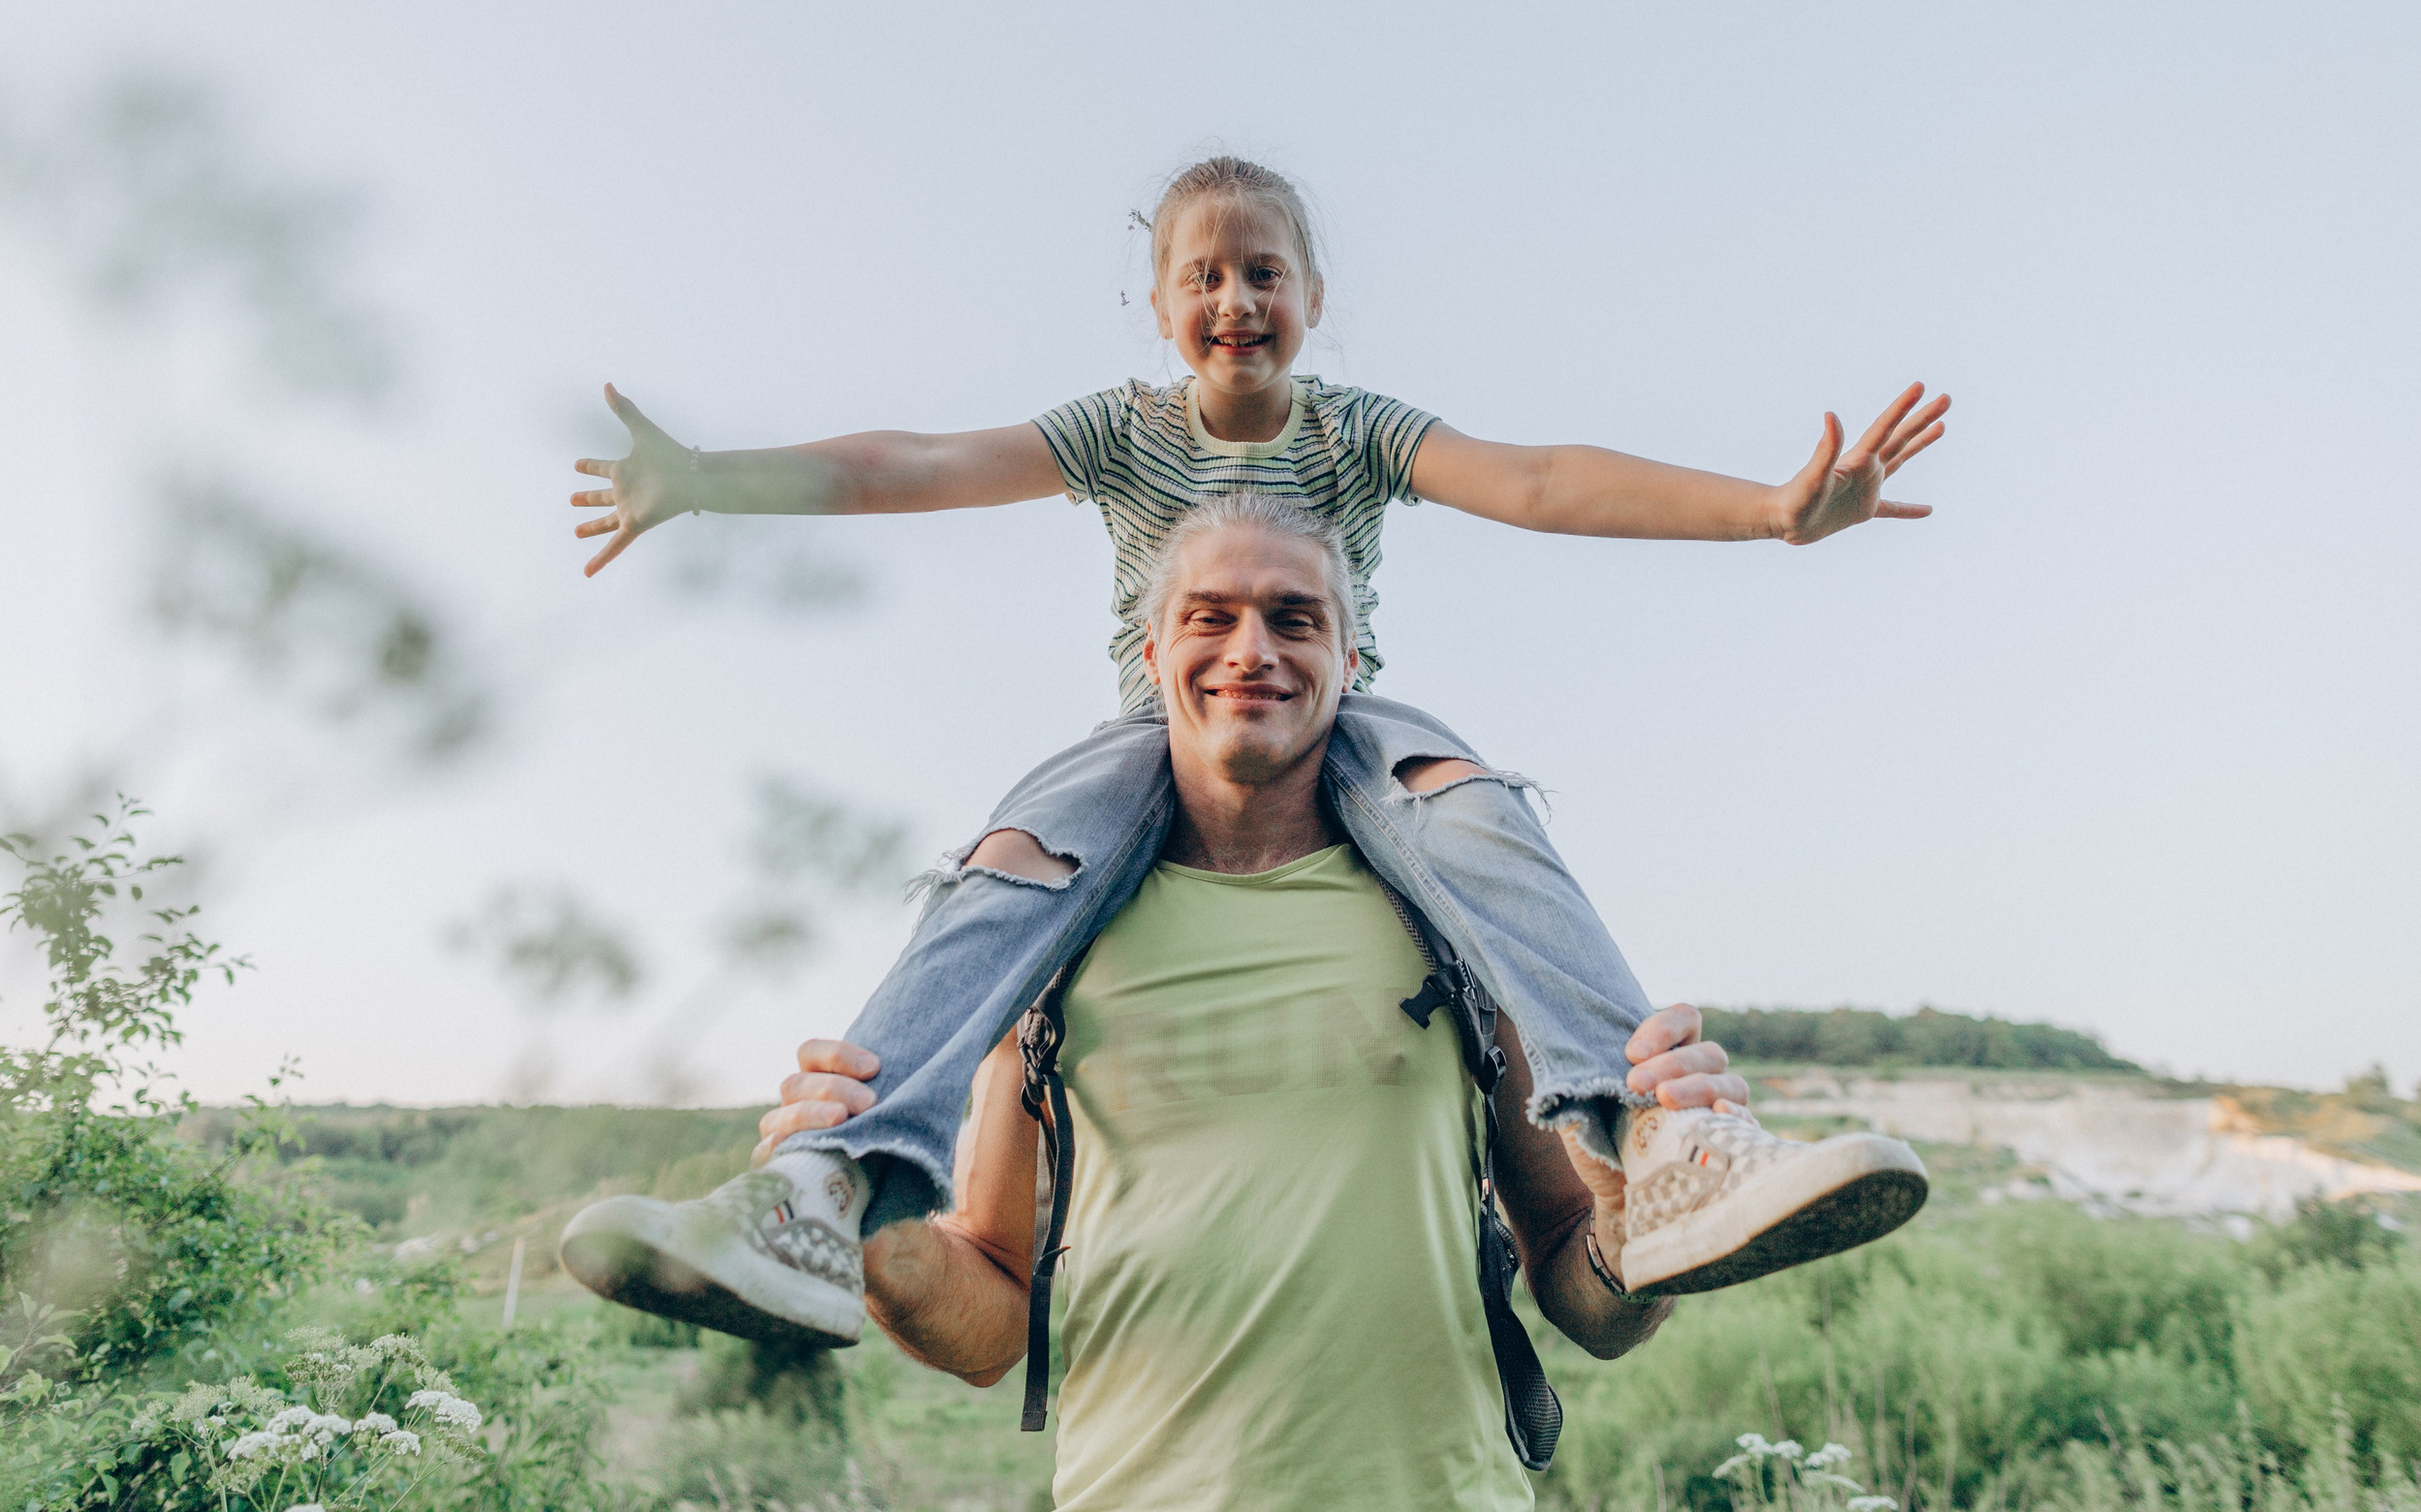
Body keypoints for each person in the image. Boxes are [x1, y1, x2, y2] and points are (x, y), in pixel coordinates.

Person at [557, 158, 1948, 1344]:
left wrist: (1769, 510)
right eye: (1206, 275)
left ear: (1312, 299)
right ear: (1164, 306)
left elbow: (1535, 480)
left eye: (1264, 272)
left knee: (1473, 808)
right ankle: (829, 1181)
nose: (1236, 298)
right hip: (1152, 743)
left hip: (1340, 726)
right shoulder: (1120, 433)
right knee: (1009, 863)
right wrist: (714, 479)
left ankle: (1662, 1136)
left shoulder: (1360, 432)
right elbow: (919, 464)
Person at [571, 501, 1927, 1508]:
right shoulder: (1049, 947)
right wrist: (885, 1242)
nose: (1252, 650)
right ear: (1152, 651)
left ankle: (1673, 1155)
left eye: (1295, 618)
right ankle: (827, 1195)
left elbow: (1587, 1293)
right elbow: (987, 1324)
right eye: (1212, 617)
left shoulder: (1454, 922)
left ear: (1353, 659)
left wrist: (1626, 1227)